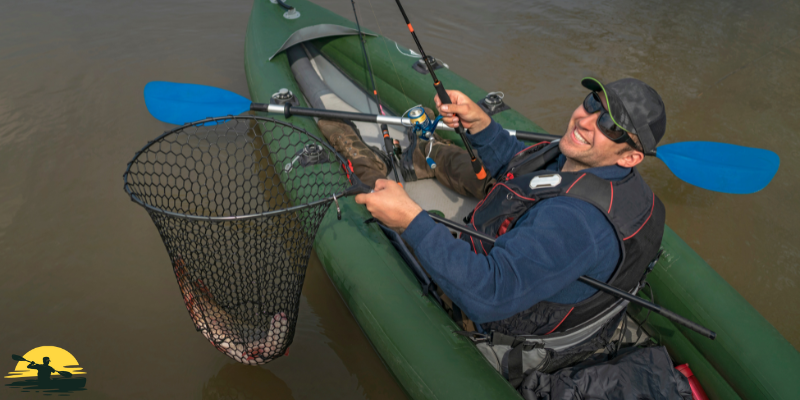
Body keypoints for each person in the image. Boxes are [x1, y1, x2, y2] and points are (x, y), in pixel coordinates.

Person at [352, 77, 667, 381]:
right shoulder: (591, 166)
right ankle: (416, 159)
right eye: (591, 103)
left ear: (631, 157)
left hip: (504, 319)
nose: (584, 121)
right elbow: (525, 172)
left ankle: (359, 163)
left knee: (389, 216)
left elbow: (487, 294)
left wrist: (411, 219)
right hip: (542, 285)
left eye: (610, 126)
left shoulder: (577, 222)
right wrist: (482, 127)